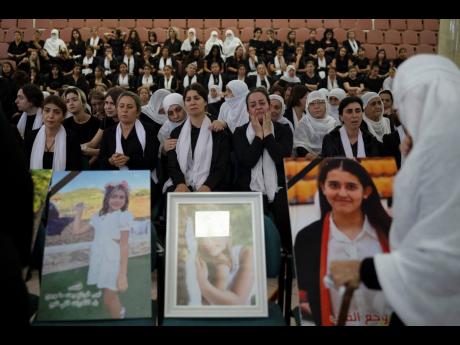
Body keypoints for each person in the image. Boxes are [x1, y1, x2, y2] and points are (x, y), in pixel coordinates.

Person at [329, 54, 460, 326]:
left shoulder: (439, 159)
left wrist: (365, 270)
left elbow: (444, 261)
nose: (399, 113)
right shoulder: (432, 151)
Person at [295, 157, 392, 326]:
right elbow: (307, 301)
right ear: (323, 188)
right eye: (334, 185)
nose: (342, 193)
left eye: (351, 187)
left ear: (366, 191)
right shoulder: (307, 238)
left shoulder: (390, 232)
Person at [232, 87, 293, 247]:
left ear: (269, 106)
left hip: (279, 186)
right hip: (250, 187)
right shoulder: (239, 133)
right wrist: (259, 136)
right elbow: (248, 161)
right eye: (253, 105)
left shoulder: (284, 130)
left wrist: (267, 133)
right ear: (247, 110)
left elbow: (280, 159)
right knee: (257, 221)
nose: (258, 107)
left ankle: (287, 256)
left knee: (285, 214)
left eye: (262, 103)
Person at [71, 181, 133, 319]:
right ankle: (119, 312)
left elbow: (124, 245)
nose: (117, 200)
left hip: (113, 261)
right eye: (114, 196)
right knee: (108, 295)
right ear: (107, 198)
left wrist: (122, 274)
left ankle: (119, 315)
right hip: (99, 259)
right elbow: (77, 231)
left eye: (121, 197)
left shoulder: (124, 216)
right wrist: (79, 212)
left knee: (109, 298)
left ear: (126, 200)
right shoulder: (99, 215)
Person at [163, 83, 230, 193]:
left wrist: (208, 186)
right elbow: (172, 164)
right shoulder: (176, 133)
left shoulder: (217, 130)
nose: (192, 102)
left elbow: (222, 165)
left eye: (197, 98)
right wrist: (180, 183)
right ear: (184, 105)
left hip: (212, 184)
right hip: (183, 182)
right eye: (188, 99)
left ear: (205, 102)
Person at [189, 217, 255, 305]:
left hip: (238, 316)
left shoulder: (247, 253)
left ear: (228, 232)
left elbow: (238, 302)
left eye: (212, 234)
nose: (206, 243)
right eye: (201, 237)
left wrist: (202, 283)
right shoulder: (202, 257)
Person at [99, 91, 159, 171]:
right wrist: (110, 161)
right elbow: (101, 160)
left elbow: (153, 161)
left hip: (142, 179)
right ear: (117, 109)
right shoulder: (108, 133)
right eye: (121, 106)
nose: (125, 110)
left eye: (130, 107)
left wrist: (129, 160)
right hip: (114, 179)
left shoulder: (149, 130)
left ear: (137, 112)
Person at [24, 94, 82, 170]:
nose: (51, 116)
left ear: (63, 116)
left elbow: (74, 170)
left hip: (62, 181)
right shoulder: (30, 136)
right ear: (42, 113)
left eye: (57, 112)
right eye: (47, 111)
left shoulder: (72, 138)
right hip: (35, 181)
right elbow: (24, 167)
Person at [294, 90, 338, 158]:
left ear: (326, 104)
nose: (316, 106)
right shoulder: (303, 123)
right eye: (312, 103)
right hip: (308, 162)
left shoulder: (333, 122)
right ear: (307, 107)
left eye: (320, 102)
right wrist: (308, 155)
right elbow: (299, 145)